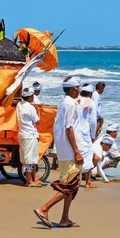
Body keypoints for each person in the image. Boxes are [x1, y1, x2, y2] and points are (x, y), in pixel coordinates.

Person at [33, 76, 85, 229]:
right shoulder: (69, 104)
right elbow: (69, 128)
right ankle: (44, 209)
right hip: (70, 150)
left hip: (64, 149)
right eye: (78, 88)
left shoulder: (63, 103)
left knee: (71, 185)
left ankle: (65, 218)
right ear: (74, 88)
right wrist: (77, 151)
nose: (79, 90)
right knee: (70, 184)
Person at [16, 86, 43, 187]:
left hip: (22, 135)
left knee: (28, 159)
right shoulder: (30, 107)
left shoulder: (19, 105)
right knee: (29, 161)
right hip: (30, 135)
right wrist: (39, 110)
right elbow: (38, 121)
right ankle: (29, 180)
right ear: (31, 96)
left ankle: (34, 178)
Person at [77, 84, 96, 188]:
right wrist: (93, 135)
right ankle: (87, 182)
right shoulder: (91, 103)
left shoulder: (75, 100)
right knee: (87, 157)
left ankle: (75, 180)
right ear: (90, 93)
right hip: (85, 132)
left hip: (74, 131)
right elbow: (93, 121)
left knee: (76, 155)